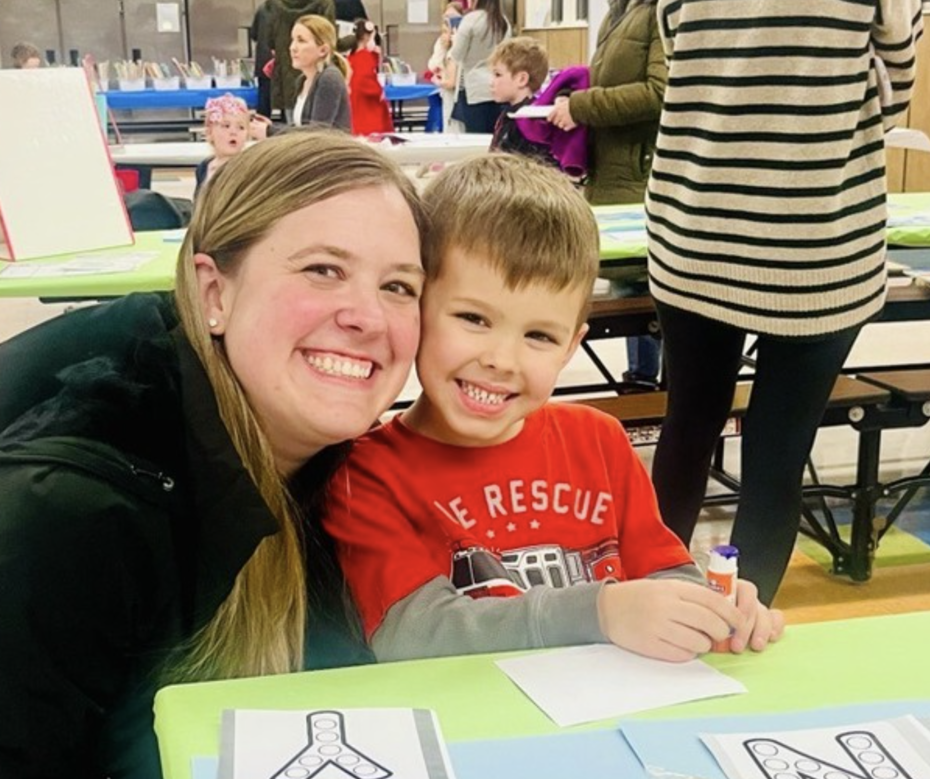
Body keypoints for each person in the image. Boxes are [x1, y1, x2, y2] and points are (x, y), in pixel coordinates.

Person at [0, 131, 426, 779]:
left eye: (398, 287)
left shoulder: (336, 476)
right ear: (213, 290)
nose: (368, 315)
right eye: (321, 270)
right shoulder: (69, 521)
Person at [324, 155, 783, 663]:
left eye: (539, 335)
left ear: (571, 346)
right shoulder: (363, 473)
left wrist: (712, 606)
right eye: (473, 318)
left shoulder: (599, 440)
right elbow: (413, 633)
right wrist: (601, 612)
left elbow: (663, 570)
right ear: (416, 307)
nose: (500, 360)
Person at [647, 0, 923, 606]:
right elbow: (894, 91)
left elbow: (677, 51)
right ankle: (741, 618)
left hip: (697, 226)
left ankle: (654, 606)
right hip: (817, 239)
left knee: (688, 427)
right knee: (777, 455)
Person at [546, 0, 665, 391]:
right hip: (613, 171)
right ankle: (642, 380)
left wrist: (581, 106)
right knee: (628, 280)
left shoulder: (657, 11)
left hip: (641, 172)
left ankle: (649, 385)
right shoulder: (621, 12)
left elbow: (661, 92)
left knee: (640, 281)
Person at [488, 37, 557, 167]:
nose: (491, 82)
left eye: (498, 75)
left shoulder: (530, 122)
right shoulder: (510, 114)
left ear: (521, 79)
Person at [449, 0, 511, 134]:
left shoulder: (471, 20)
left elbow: (457, 54)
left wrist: (454, 40)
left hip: (474, 89)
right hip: (498, 87)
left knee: (476, 138)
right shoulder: (503, 21)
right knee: (495, 137)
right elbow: (507, 54)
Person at [265, 0, 335, 114]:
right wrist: (355, 38)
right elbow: (332, 40)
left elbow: (269, 40)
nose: (293, 47)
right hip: (314, 73)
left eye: (301, 40)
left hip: (285, 80)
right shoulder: (324, 4)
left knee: (293, 121)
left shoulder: (274, 5)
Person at [195, 93, 252, 192]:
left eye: (241, 127)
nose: (234, 132)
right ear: (209, 132)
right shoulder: (204, 167)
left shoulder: (248, 169)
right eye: (226, 126)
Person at [346, 18, 393, 135]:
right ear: (367, 37)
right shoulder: (364, 57)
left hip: (355, 103)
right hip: (367, 107)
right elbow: (364, 79)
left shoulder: (351, 57)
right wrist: (379, 91)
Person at [427, 2, 464, 133]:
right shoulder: (441, 42)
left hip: (459, 94)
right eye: (446, 17)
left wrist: (455, 44)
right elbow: (433, 64)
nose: (448, 21)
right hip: (445, 94)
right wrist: (443, 46)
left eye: (453, 17)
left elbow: (452, 80)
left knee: (456, 127)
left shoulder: (462, 42)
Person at [249, 0, 274, 117]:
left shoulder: (263, 8)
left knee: (264, 103)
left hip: (264, 62)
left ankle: (261, 133)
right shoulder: (290, 11)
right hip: (283, 65)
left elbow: (253, 34)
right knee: (287, 105)